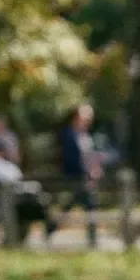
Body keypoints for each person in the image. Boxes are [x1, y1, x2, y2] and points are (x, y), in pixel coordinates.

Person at [0, 140, 56, 244]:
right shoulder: (7, 168)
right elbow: (17, 180)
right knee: (29, 203)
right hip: (7, 206)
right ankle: (24, 235)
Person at [58, 102, 101, 248]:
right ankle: (92, 239)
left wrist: (95, 168)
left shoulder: (85, 136)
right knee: (87, 203)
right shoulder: (69, 134)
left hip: (85, 178)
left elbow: (89, 156)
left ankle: (92, 237)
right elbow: (70, 159)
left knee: (81, 203)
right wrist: (85, 171)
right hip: (75, 177)